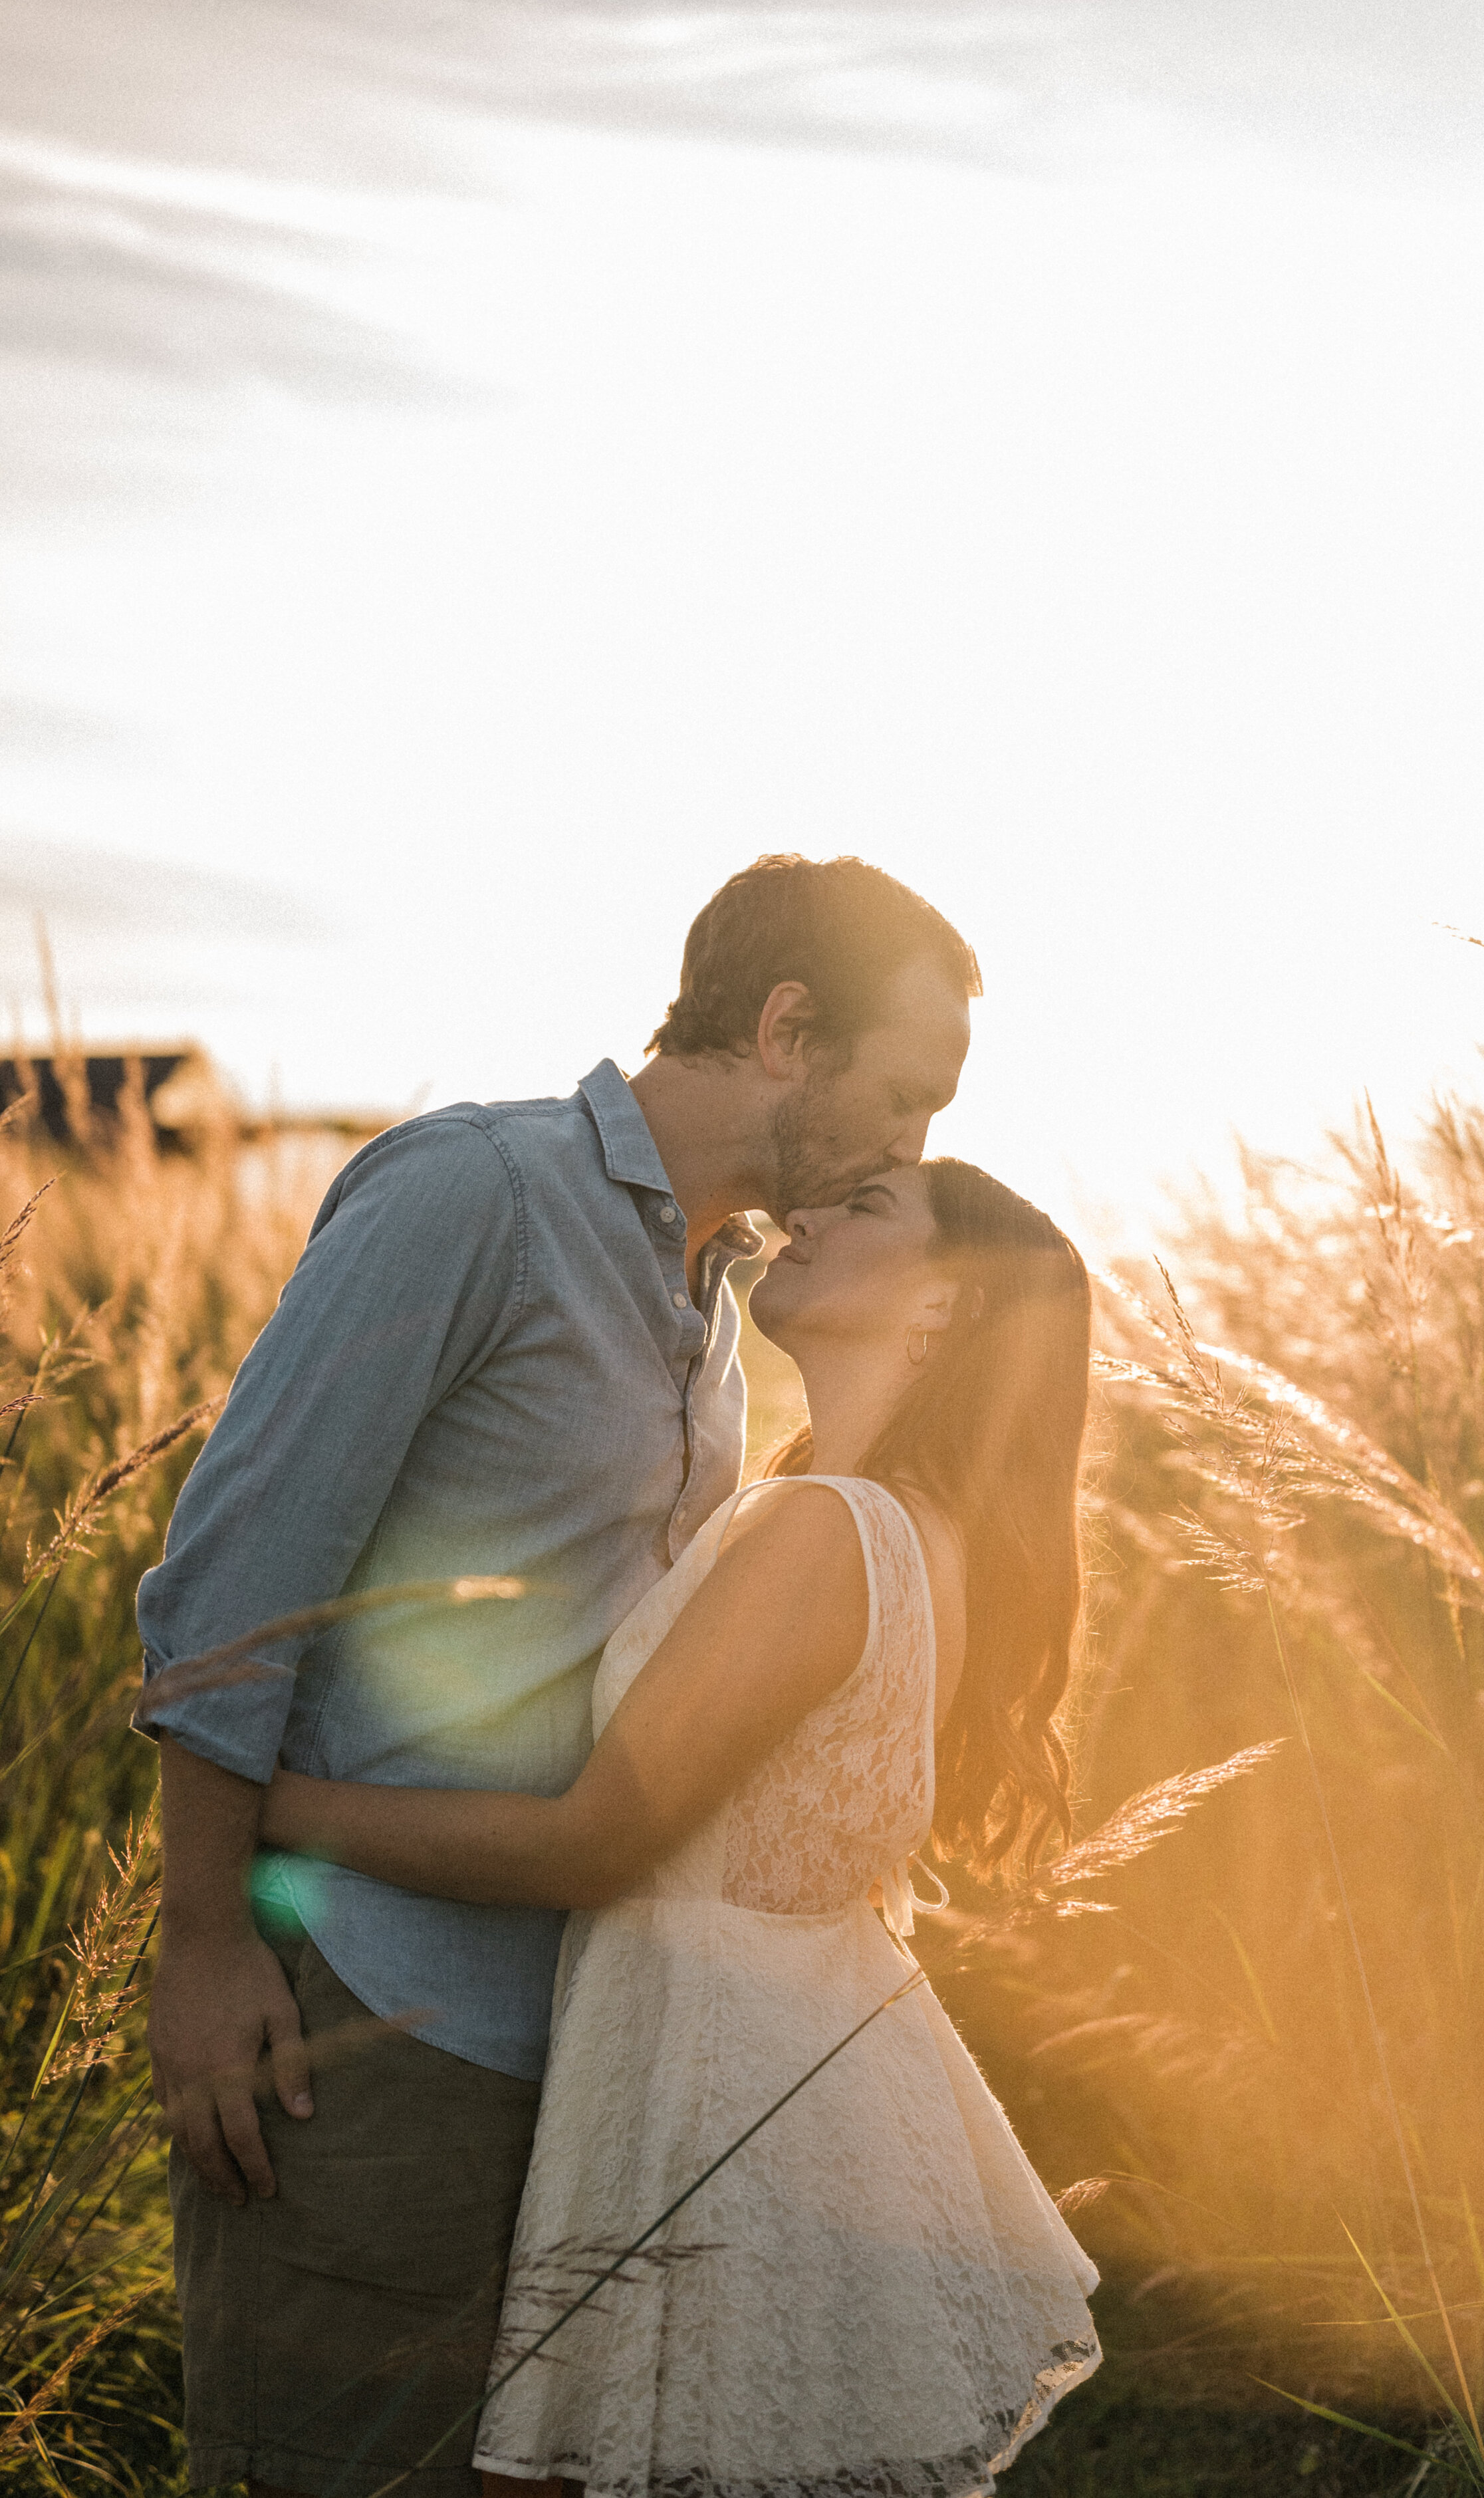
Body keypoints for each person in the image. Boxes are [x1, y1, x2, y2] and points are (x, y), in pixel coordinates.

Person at [137, 854, 979, 2498]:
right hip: (364, 2018)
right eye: (903, 1097)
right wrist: (202, 1931)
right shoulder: (476, 1194)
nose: (911, 1150)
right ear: (790, 1027)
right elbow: (236, 1575)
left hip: (576, 2050)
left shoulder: (723, 1306)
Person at [261, 1154, 1104, 2498]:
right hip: (794, 2062)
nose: (808, 1210)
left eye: (868, 1205)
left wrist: (276, 1802)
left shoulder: (825, 1530)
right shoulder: (908, 1526)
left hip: (708, 2083)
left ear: (943, 1308)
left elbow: (597, 1842)